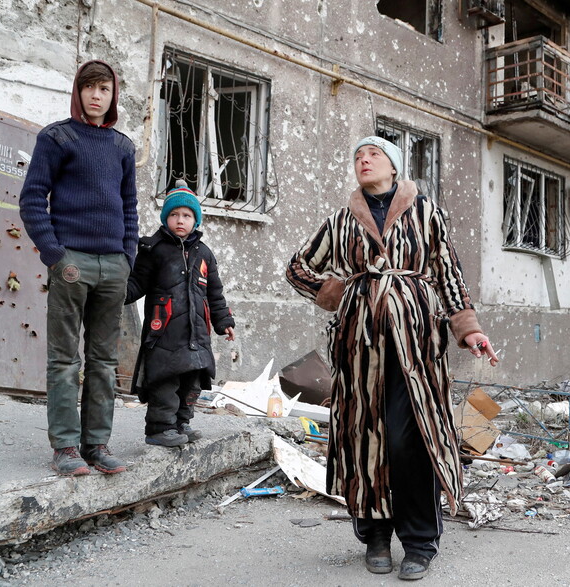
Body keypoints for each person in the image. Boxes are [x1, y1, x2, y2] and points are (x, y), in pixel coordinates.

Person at [285, 136, 499, 581]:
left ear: (395, 166)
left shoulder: (425, 212)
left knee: (412, 439)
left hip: (417, 346)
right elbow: (298, 268)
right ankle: (376, 537)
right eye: (358, 156)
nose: (364, 160)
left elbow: (448, 274)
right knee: (364, 439)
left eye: (374, 154)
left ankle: (420, 541)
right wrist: (340, 291)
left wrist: (469, 328)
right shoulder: (341, 220)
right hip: (359, 350)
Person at [19, 60, 139, 476]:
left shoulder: (123, 147)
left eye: (104, 89)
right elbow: (32, 198)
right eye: (89, 87)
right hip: (72, 263)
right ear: (78, 91)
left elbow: (130, 208)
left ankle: (97, 445)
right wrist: (55, 254)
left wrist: (128, 258)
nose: (96, 95)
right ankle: (65, 448)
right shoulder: (57, 137)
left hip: (114, 268)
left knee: (104, 363)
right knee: (65, 360)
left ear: (113, 96)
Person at [124, 183, 235, 447]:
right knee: (165, 381)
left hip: (196, 332)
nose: (180, 220)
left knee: (192, 382)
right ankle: (160, 429)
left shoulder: (205, 253)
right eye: (174, 215)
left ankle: (181, 423)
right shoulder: (154, 249)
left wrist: (224, 322)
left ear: (195, 220)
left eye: (186, 215)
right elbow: (137, 283)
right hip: (164, 330)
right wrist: (117, 292)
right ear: (166, 219)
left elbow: (215, 293)